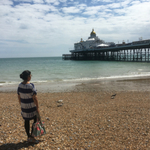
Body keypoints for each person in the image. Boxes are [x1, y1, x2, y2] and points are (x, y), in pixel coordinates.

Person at [17, 70, 39, 143]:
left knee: (26, 121)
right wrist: (38, 107)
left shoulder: (20, 85)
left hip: (24, 106)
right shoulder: (31, 86)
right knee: (35, 119)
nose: (31, 76)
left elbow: (19, 96)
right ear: (28, 77)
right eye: (30, 75)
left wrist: (21, 104)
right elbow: (35, 98)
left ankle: (28, 136)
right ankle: (32, 137)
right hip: (31, 106)